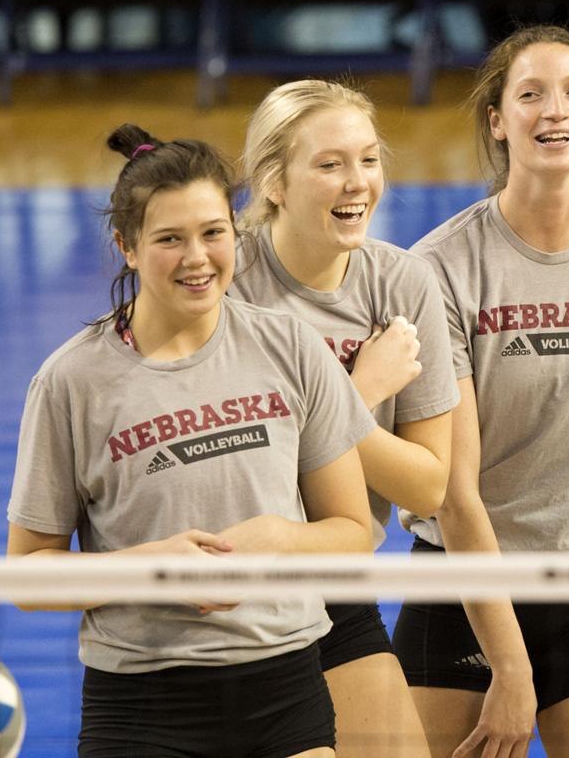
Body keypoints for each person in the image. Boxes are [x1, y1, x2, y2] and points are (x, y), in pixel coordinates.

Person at [6, 124, 377, 757]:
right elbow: (27, 575)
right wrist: (156, 570)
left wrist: (278, 537)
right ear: (126, 247)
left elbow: (353, 534)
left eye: (213, 232)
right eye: (169, 239)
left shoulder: (290, 348)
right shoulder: (70, 381)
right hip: (141, 706)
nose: (197, 258)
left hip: (284, 690)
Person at [392, 24, 569, 758]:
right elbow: (454, 491)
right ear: (498, 121)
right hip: (467, 584)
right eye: (531, 95)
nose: (556, 110)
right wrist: (510, 664)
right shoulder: (439, 267)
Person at [234, 78, 457, 758]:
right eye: (329, 164)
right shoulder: (226, 279)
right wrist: (359, 393)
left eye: (368, 159)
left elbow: (427, 487)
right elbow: (244, 470)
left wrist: (339, 413)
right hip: (233, 597)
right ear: (273, 181)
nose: (357, 182)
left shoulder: (403, 282)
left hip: (336, 585)